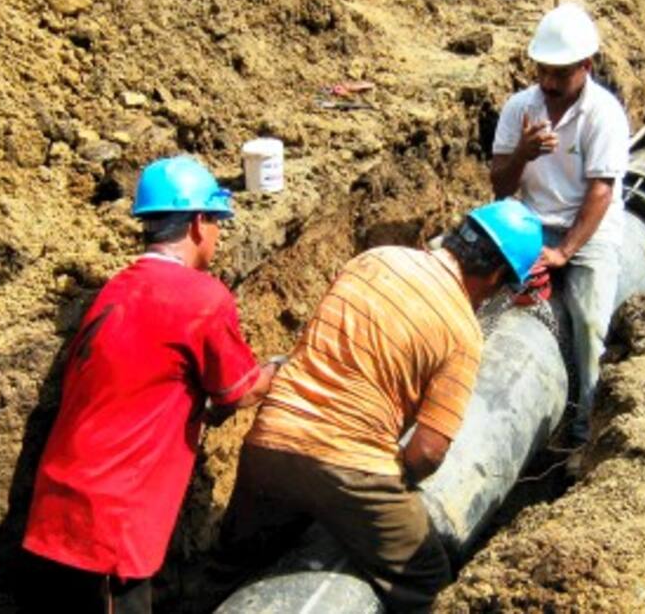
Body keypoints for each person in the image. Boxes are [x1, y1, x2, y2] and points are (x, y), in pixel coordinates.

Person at [206, 200, 543, 613]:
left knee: (231, 563)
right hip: (353, 466)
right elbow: (428, 450)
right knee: (427, 578)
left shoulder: (373, 259)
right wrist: (383, 487)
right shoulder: (462, 331)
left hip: (270, 442)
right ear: (495, 276)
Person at [22, 155, 278, 614]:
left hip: (59, 513)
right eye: (217, 223)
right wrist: (280, 369)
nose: (218, 236)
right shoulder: (203, 298)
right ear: (200, 224)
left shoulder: (118, 288)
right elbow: (237, 391)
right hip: (108, 534)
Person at [489, 1, 631, 446]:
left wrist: (564, 252)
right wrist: (522, 154)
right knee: (473, 276)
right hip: (528, 221)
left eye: (560, 73)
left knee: (589, 323)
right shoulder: (520, 108)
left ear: (585, 66)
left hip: (588, 231)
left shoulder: (603, 114)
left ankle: (584, 429)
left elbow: (601, 192)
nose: (548, 82)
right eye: (542, 71)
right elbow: (499, 186)